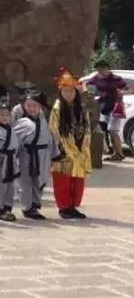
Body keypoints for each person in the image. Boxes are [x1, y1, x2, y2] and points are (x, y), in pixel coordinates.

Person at [50, 68, 92, 220]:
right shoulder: (57, 108)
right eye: (65, 91)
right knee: (63, 180)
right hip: (63, 150)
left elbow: (88, 126)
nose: (68, 94)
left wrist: (84, 145)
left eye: (71, 91)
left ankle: (72, 206)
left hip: (79, 148)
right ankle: (64, 207)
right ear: (60, 92)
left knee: (77, 180)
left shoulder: (81, 107)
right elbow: (54, 130)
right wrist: (61, 148)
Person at [12, 85, 52, 220]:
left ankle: (35, 205)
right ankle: (27, 207)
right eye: (29, 106)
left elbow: (49, 139)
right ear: (24, 106)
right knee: (26, 182)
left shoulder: (43, 120)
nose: (32, 108)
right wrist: (13, 156)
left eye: (35, 106)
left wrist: (55, 154)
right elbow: (15, 140)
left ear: (40, 107)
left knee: (39, 181)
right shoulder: (22, 122)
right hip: (27, 156)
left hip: (42, 155)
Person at [86, 58, 127, 160]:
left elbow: (128, 88)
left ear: (107, 69)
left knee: (112, 130)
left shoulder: (116, 78)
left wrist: (122, 92)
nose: (101, 72)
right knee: (110, 131)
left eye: (102, 69)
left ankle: (120, 154)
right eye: (99, 70)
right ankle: (115, 154)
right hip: (104, 108)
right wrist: (94, 92)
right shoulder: (96, 78)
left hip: (115, 107)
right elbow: (87, 85)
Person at [0, 98, 20, 222]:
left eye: (7, 114)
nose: (5, 117)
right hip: (0, 160)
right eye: (2, 114)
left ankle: (8, 207)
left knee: (10, 186)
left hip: (11, 159)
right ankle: (0, 209)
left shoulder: (11, 128)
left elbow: (15, 144)